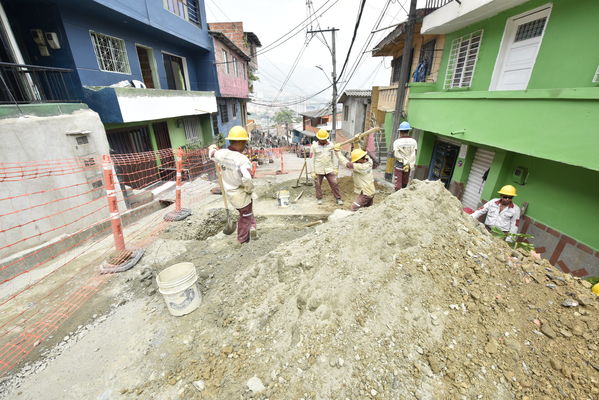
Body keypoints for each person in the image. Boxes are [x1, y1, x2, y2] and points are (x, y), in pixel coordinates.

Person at [209, 126, 257, 244]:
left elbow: (212, 154)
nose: (246, 145)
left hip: (229, 191)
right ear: (241, 142)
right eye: (245, 142)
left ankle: (252, 228)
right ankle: (242, 240)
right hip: (240, 193)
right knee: (245, 215)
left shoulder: (222, 154)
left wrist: (212, 147)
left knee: (248, 212)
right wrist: (249, 190)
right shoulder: (242, 160)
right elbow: (247, 178)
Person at [334, 146, 375, 211]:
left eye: (356, 160)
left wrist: (338, 152)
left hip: (366, 193)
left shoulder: (360, 167)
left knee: (354, 207)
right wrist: (357, 142)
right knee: (368, 209)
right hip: (370, 190)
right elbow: (359, 153)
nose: (355, 161)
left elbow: (346, 164)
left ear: (359, 160)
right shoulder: (369, 160)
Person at [310, 129, 343, 205]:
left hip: (329, 168)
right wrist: (312, 171)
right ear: (318, 138)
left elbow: (334, 157)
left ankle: (338, 198)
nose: (323, 141)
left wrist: (335, 168)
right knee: (317, 185)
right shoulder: (314, 146)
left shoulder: (331, 145)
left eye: (324, 139)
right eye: (321, 139)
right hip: (318, 169)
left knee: (334, 183)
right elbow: (312, 159)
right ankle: (319, 198)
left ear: (326, 138)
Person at [392, 121, 418, 191]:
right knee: (404, 183)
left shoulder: (397, 142)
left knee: (398, 186)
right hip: (408, 165)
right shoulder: (414, 141)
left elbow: (396, 154)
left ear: (400, 131)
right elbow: (415, 153)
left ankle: (397, 197)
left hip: (399, 165)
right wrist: (409, 162)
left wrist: (403, 160)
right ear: (408, 131)